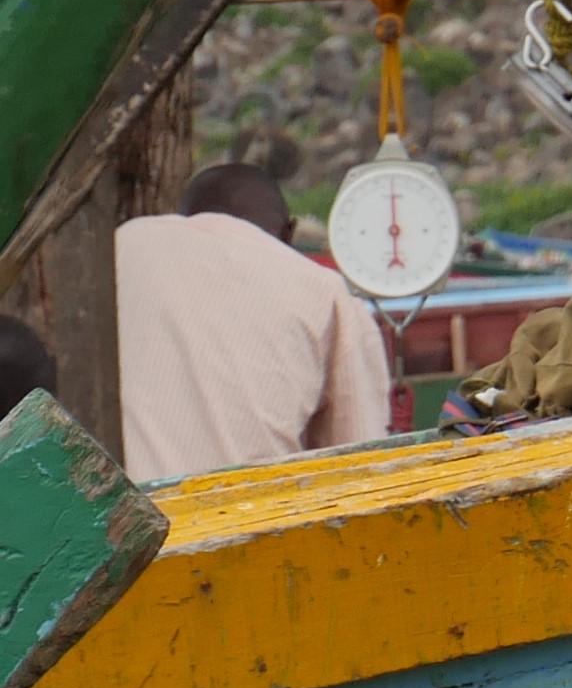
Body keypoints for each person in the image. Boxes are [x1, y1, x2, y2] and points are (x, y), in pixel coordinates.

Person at [115, 162, 391, 483]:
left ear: (185, 215)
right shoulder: (325, 291)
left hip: (111, 515)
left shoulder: (126, 242)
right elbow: (361, 463)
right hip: (240, 519)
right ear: (288, 233)